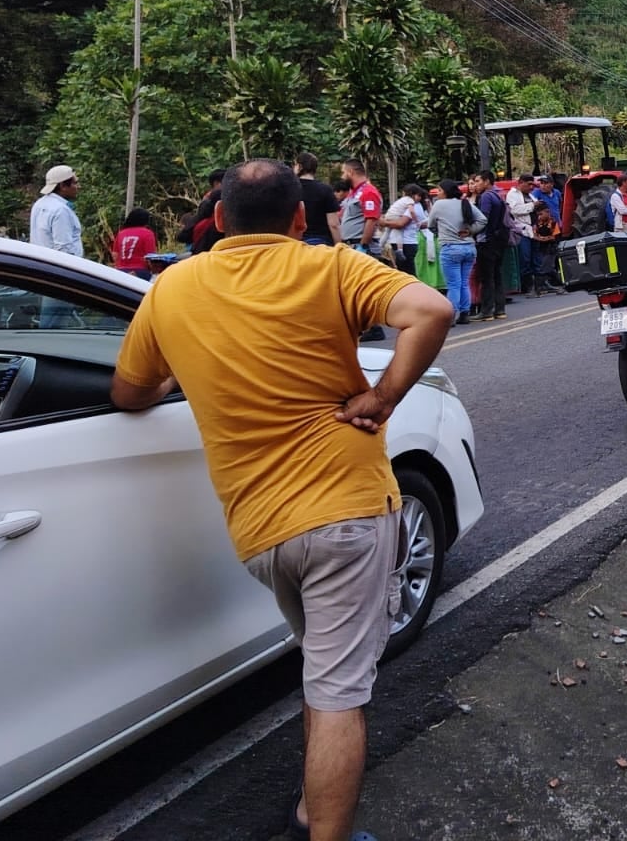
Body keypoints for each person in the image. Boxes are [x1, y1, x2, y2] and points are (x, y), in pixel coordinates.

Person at [109, 159, 453, 841]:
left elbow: (129, 393)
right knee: (338, 695)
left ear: (217, 220)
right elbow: (432, 310)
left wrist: (190, 375)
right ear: (300, 219)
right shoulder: (330, 267)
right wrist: (381, 399)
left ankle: (309, 809)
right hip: (347, 516)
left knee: (323, 673)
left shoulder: (171, 288)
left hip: (262, 533)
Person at [427, 180, 482, 322]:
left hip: (450, 248)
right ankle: (464, 313)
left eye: (439, 191)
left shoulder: (439, 205)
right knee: (464, 282)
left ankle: (451, 315)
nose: (437, 193)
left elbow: (431, 224)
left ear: (445, 192)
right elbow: (482, 220)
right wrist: (470, 231)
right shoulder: (464, 203)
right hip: (469, 247)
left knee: (453, 284)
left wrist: (440, 233)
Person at [471, 171, 512, 320]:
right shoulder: (497, 195)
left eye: (477, 181)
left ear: (487, 181)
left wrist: (471, 231)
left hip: (486, 241)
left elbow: (483, 218)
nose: (475, 184)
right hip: (498, 240)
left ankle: (486, 311)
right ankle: (500, 309)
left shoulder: (487, 197)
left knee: (486, 277)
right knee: (497, 275)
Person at [29, 164, 82, 257]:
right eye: (75, 183)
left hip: (40, 262)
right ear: (63, 186)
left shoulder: (39, 204)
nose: (79, 187)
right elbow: (64, 249)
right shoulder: (60, 210)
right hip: (61, 267)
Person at [337, 160, 384, 259]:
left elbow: (371, 221)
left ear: (351, 172)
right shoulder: (353, 193)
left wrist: (363, 246)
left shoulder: (368, 192)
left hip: (361, 247)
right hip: (350, 246)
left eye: (343, 172)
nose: (342, 176)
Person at [296, 152, 342, 246]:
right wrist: (340, 247)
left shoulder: (289, 188)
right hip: (320, 243)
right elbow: (333, 224)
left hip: (296, 242)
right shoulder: (325, 190)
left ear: (299, 166)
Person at [381, 185, 428, 274]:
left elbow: (401, 224)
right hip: (409, 241)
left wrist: (384, 223)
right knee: (406, 271)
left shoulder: (413, 206)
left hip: (406, 243)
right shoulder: (418, 206)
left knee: (406, 272)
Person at [505, 173, 538, 294]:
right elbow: (514, 210)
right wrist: (532, 206)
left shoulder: (531, 196)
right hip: (521, 231)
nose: (531, 187)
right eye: (529, 184)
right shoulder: (512, 195)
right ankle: (526, 285)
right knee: (525, 258)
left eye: (532, 185)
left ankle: (536, 283)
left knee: (534, 257)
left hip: (533, 230)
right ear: (520, 183)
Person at [112, 208, 159, 280]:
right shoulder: (148, 233)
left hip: (121, 271)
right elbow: (151, 257)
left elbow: (115, 255)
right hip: (140, 271)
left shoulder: (121, 233)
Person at [531, 202, 562, 293]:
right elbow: (534, 235)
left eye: (541, 214)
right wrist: (541, 239)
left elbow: (555, 236)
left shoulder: (553, 223)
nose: (539, 217)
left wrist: (544, 239)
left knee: (546, 267)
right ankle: (553, 284)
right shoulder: (537, 224)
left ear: (548, 212)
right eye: (538, 215)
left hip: (551, 248)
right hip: (540, 248)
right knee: (545, 267)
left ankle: (540, 287)